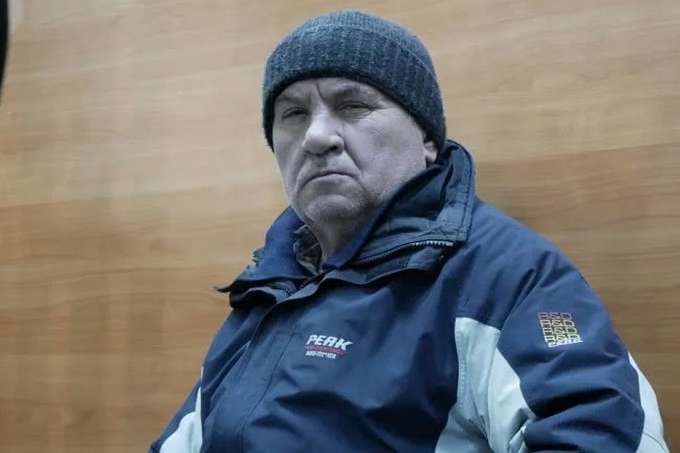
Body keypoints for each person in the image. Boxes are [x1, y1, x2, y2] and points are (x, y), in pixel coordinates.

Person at [150, 10, 668, 453]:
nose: (317, 136)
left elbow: (601, 435)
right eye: (293, 114)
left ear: (426, 139)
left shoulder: (507, 278)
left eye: (353, 106)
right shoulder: (270, 285)